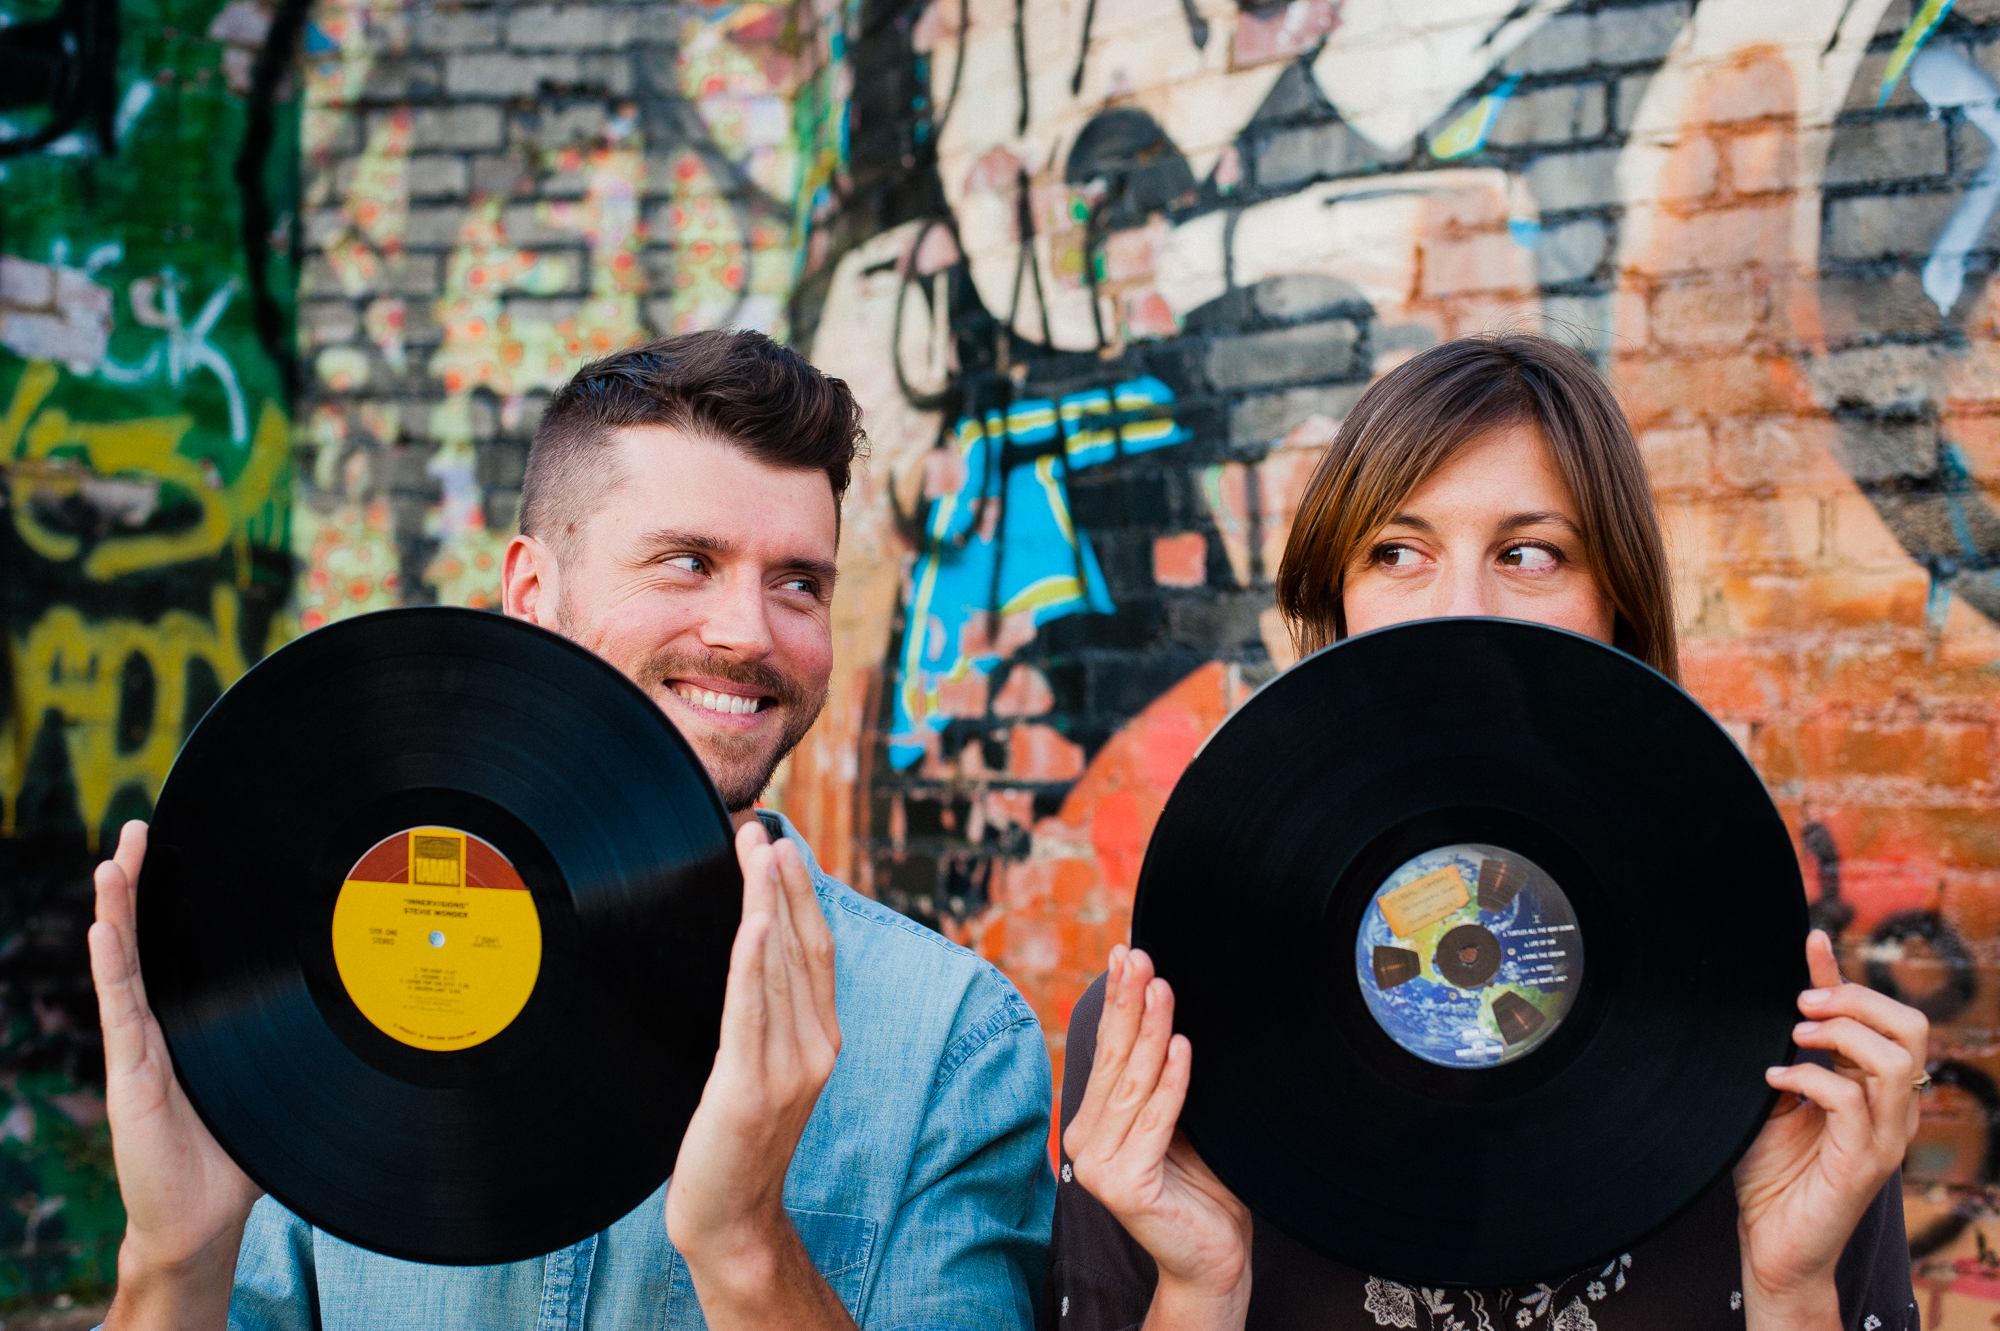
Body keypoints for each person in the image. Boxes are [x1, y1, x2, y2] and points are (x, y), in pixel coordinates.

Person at [87, 330, 1056, 1330]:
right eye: (688, 561)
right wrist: (173, 1264)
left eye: (798, 581)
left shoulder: (955, 1044)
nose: (750, 632)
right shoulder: (312, 999)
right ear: (530, 592)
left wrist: (747, 1252)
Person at [1041, 335, 1928, 1331]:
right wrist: (1198, 1288)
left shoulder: (1785, 1047)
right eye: (1395, 552)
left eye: (1526, 553)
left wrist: (1791, 1284)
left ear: (1614, 607)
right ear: (1336, 602)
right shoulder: (1160, 1036)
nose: (1460, 607)